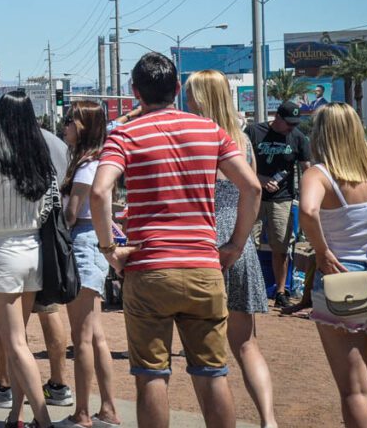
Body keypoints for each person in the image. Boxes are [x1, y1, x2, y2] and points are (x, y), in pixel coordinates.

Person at [90, 53, 262, 428]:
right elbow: (251, 187)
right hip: (203, 266)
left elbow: (101, 192)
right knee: (211, 371)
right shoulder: (209, 130)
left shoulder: (124, 134)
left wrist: (110, 251)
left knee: (151, 373)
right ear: (176, 90)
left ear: (135, 92)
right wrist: (234, 244)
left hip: (149, 268)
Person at [186, 71, 277, 428]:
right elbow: (250, 190)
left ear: (202, 98)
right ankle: (268, 420)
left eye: (192, 94)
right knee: (246, 344)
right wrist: (241, 240)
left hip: (206, 241)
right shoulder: (242, 140)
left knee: (204, 349)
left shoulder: (196, 137)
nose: (187, 101)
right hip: (239, 242)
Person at [299, 102, 367, 427]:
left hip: (342, 283)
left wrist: (322, 251)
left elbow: (309, 211)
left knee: (353, 389)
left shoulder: (320, 174)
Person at [0, 91, 57, 427]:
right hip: (34, 250)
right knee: (19, 340)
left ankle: (43, 418)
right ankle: (16, 413)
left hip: (3, 252)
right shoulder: (40, 155)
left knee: (15, 343)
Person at [55, 100, 120, 428]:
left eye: (71, 121)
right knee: (95, 336)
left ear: (86, 126)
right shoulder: (96, 162)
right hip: (92, 243)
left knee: (81, 336)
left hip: (82, 243)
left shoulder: (85, 166)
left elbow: (70, 215)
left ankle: (82, 414)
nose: (65, 126)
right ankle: (107, 408)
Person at [246, 101, 311, 308]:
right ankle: (250, 288)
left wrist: (308, 197)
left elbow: (306, 169)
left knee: (281, 247)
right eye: (289, 123)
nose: (292, 127)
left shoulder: (299, 138)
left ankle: (281, 291)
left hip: (282, 198)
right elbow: (240, 163)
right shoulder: (254, 131)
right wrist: (261, 178)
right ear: (278, 118)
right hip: (254, 195)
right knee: (247, 244)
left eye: (295, 123)